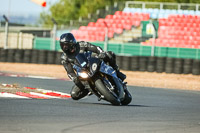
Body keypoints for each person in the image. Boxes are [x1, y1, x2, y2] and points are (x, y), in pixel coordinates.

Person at [60, 33, 126, 100]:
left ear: (72, 43)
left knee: (109, 54)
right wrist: (74, 78)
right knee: (74, 95)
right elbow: (69, 72)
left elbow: (96, 48)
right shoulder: (64, 58)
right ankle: (90, 90)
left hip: (92, 62)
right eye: (62, 45)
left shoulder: (81, 45)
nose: (64, 47)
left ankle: (117, 73)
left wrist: (101, 53)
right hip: (82, 73)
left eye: (66, 45)